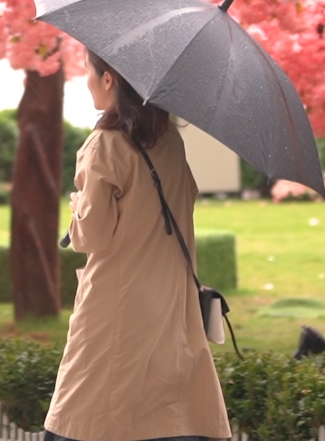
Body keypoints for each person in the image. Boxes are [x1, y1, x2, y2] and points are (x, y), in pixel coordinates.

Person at [43, 50, 232, 441]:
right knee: (169, 415)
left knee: (88, 417)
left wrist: (78, 205)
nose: (87, 81)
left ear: (109, 79)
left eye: (89, 72)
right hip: (169, 303)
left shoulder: (104, 145)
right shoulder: (170, 142)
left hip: (115, 307)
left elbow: (91, 236)